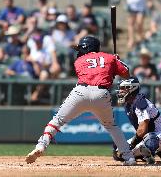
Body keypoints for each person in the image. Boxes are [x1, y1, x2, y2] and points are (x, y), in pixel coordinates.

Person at [25, 36, 136, 165]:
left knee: (57, 121)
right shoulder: (109, 58)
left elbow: (92, 70)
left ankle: (41, 146)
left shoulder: (79, 60)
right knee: (111, 126)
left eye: (81, 48)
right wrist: (117, 61)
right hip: (101, 93)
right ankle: (129, 157)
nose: (79, 51)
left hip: (80, 92)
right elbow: (126, 73)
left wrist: (112, 65)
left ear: (87, 47)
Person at [112, 77, 161, 164]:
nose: (120, 91)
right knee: (118, 152)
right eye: (120, 88)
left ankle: (155, 152)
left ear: (132, 89)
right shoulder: (128, 103)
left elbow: (142, 130)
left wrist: (131, 145)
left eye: (124, 88)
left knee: (149, 139)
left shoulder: (140, 102)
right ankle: (156, 153)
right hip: (147, 135)